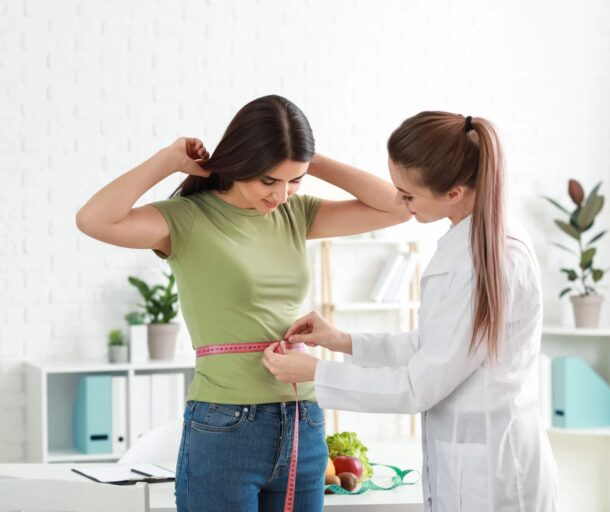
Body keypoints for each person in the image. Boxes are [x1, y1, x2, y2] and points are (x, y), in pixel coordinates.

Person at [76, 94, 411, 512]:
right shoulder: (185, 219)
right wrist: (168, 160)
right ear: (239, 163)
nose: (281, 195)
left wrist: (307, 159)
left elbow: (399, 208)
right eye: (268, 180)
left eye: (295, 181)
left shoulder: (296, 214)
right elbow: (94, 220)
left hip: (302, 420)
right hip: (225, 425)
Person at [262, 111, 560, 511]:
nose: (400, 203)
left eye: (408, 194)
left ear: (454, 192)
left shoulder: (493, 256)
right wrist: (341, 341)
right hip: (470, 462)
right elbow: (435, 346)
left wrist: (316, 374)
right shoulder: (467, 240)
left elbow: (418, 387)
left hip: (494, 475)